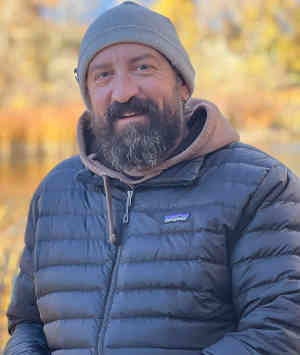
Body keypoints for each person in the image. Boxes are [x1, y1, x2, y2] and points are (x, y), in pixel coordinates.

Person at [4, 1, 300, 355]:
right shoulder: (56, 191)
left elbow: (279, 331)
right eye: (103, 75)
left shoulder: (261, 186)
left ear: (183, 84)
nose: (123, 91)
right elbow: (28, 323)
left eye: (143, 68)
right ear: (88, 94)